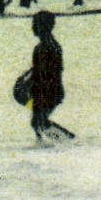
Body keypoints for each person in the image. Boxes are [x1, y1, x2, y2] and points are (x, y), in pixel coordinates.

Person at [27, 10, 74, 143]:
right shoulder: (51, 45)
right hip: (50, 90)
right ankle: (54, 143)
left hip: (48, 90)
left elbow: (46, 72)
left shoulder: (45, 47)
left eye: (35, 24)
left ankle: (67, 142)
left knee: (38, 121)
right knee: (38, 122)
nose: (33, 27)